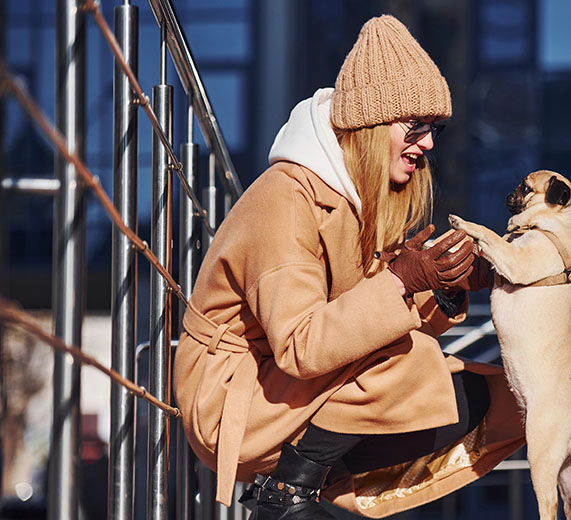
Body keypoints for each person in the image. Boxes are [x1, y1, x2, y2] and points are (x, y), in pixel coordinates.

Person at [173, 15, 525, 519]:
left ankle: (298, 483)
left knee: (493, 402)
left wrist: (445, 285)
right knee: (418, 373)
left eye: (435, 129)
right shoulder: (287, 198)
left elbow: (367, 327)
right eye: (415, 126)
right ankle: (286, 493)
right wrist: (401, 281)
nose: (428, 143)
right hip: (233, 400)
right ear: (372, 124)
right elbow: (302, 346)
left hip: (289, 388)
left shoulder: (361, 198)